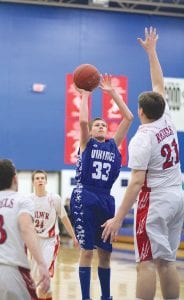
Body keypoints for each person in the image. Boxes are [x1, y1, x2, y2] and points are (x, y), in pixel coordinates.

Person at [102, 27, 184, 300]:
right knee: (167, 261)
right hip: (176, 196)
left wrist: (118, 217)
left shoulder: (142, 138)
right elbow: (158, 84)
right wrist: (152, 53)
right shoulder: (166, 117)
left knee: (146, 263)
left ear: (140, 112)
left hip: (156, 200)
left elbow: (137, 182)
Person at [70, 75, 134, 300]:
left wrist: (112, 93)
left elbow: (128, 117)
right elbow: (83, 123)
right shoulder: (86, 144)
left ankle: (106, 297)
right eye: (97, 124)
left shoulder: (113, 145)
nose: (100, 126)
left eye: (103, 125)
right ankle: (86, 297)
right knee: (87, 251)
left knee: (106, 253)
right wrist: (86, 95)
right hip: (84, 195)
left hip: (106, 199)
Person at [0, 159, 50, 300]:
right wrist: (42, 264)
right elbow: (26, 228)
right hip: (12, 271)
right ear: (15, 178)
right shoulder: (22, 200)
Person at [28, 170, 78, 300]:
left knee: (43, 273)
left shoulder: (54, 198)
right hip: (34, 241)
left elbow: (64, 218)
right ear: (33, 182)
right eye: (37, 178)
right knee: (35, 277)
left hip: (50, 241)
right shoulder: (28, 200)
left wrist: (74, 236)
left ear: (46, 181)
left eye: (42, 178)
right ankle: (48, 296)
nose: (40, 180)